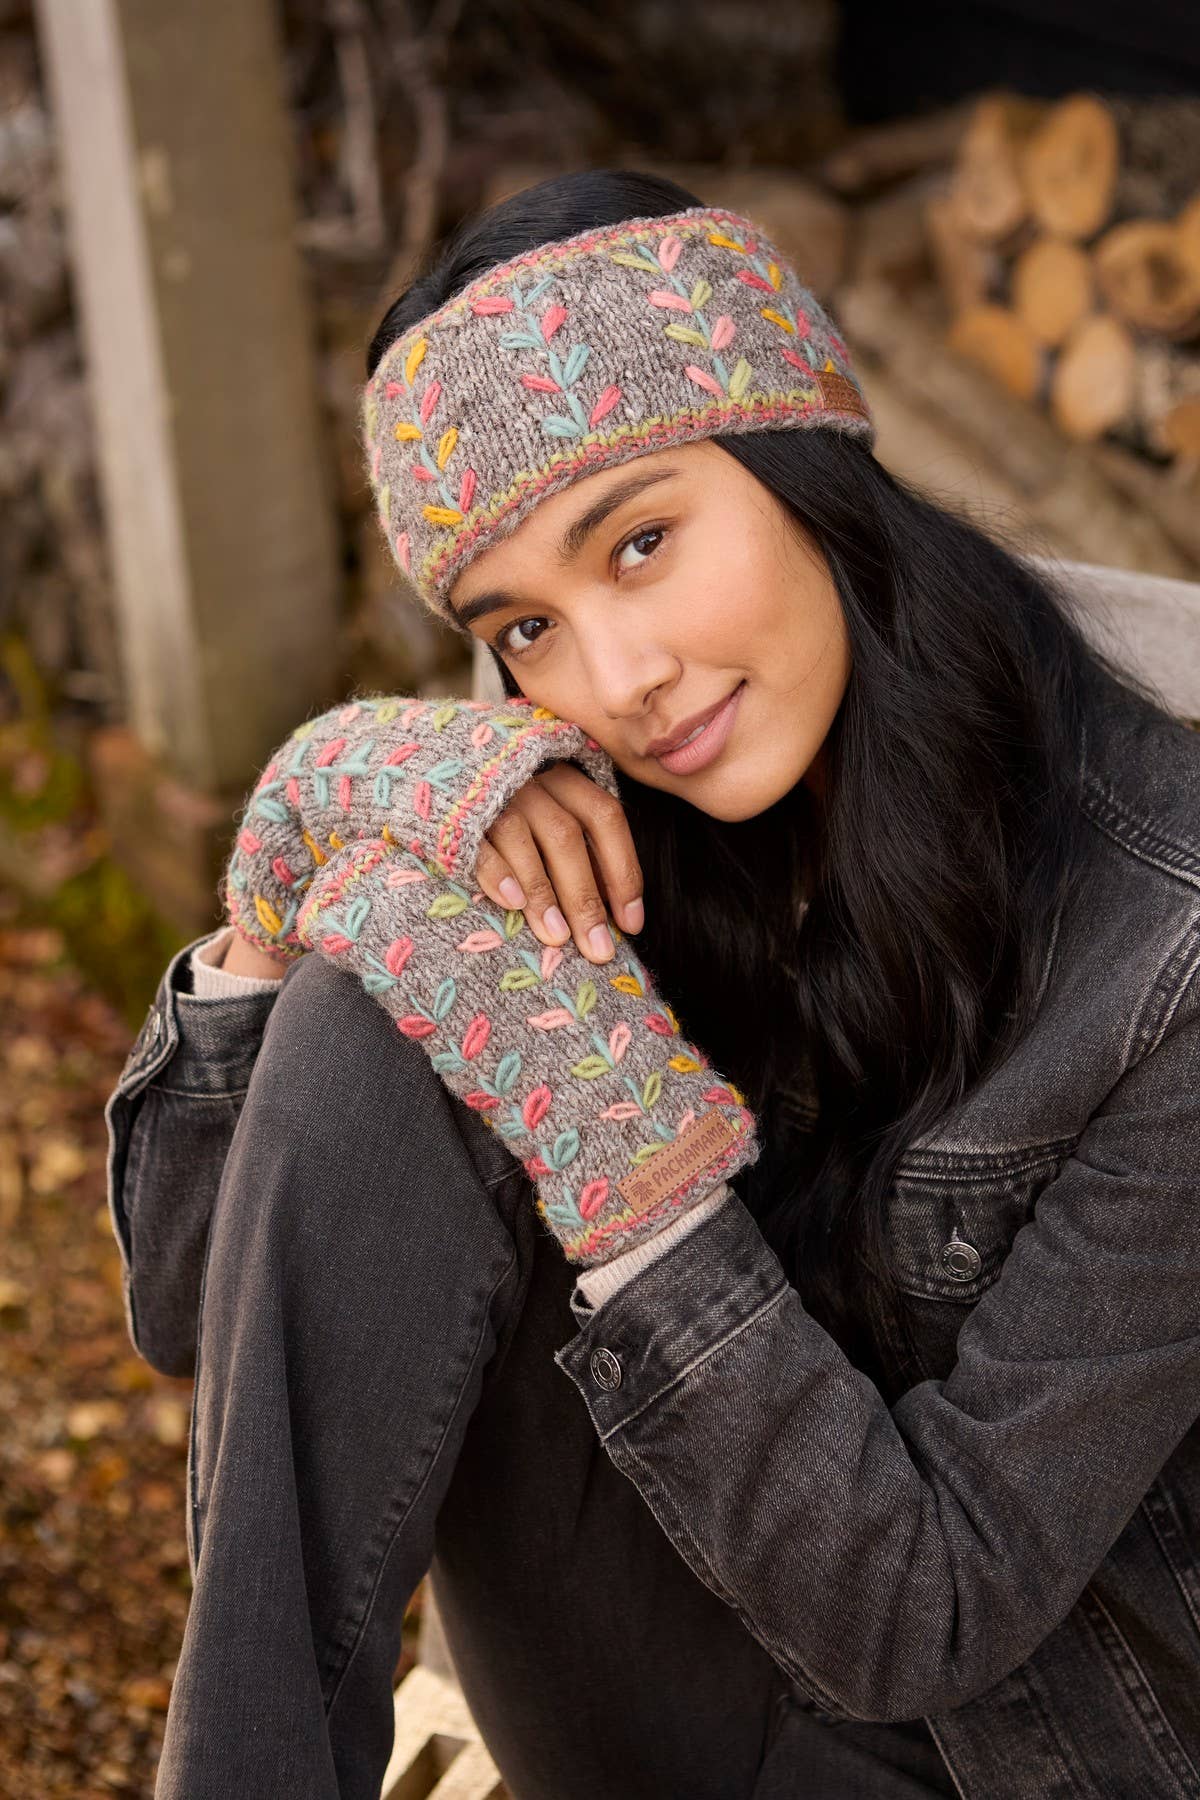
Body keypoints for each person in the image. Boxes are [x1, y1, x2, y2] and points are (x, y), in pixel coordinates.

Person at [103, 169, 1200, 1800]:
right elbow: (205, 1313)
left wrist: (635, 1170)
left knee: (457, 978)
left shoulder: (1167, 949)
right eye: (525, 626)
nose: (618, 681)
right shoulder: (617, 815)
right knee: (375, 984)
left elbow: (933, 1611)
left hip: (1025, 1745)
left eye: (642, 541)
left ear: (802, 460)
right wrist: (275, 904)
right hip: (694, 1641)